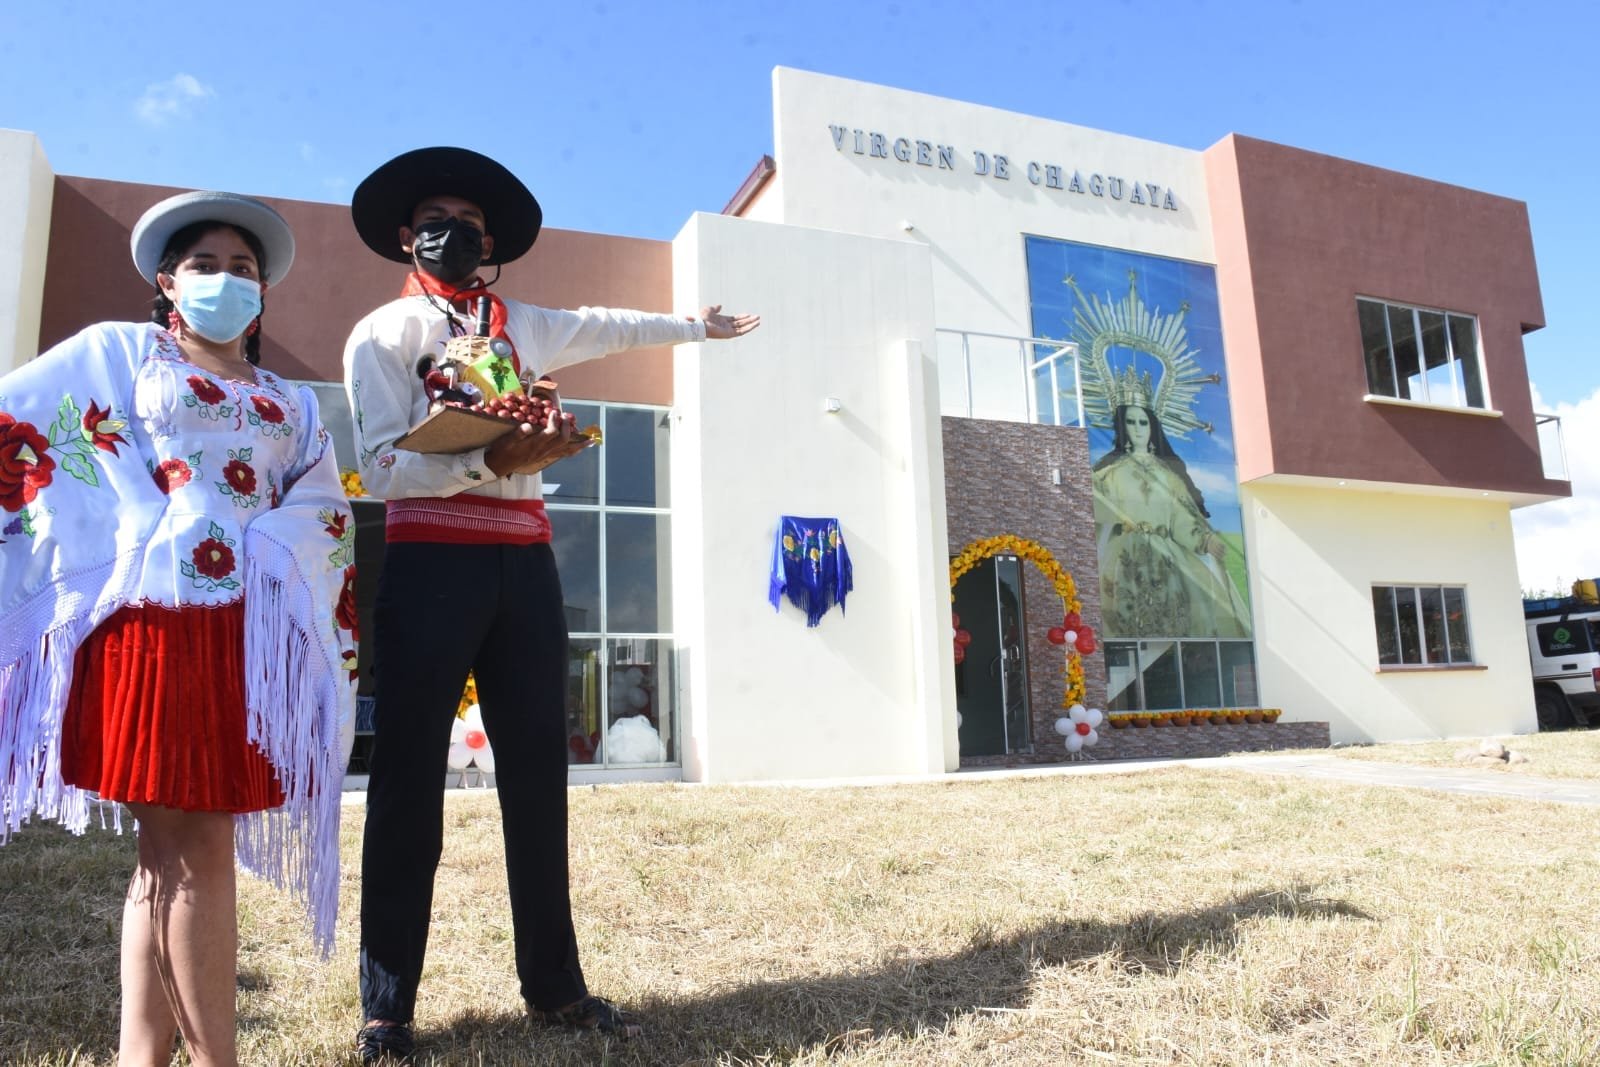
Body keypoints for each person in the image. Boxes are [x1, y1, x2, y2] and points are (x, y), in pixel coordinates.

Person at [343, 146, 758, 1062]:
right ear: (407, 236)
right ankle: (387, 1007)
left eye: (469, 223)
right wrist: (485, 460)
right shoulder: (382, 332)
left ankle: (556, 985)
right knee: (406, 780)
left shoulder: (523, 323)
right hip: (429, 561)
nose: (452, 233)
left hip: (525, 567)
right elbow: (379, 464)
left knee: (538, 777)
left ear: (491, 244)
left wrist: (695, 327)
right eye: (434, 221)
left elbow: (608, 325)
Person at [0, 191, 356, 1066]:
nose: (226, 280)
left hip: (243, 636)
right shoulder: (121, 353)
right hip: (151, 628)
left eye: (244, 269)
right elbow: (21, 423)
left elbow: (322, 507)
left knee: (173, 854)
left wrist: (272, 547)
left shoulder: (292, 401)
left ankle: (141, 1056)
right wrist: (135, 520)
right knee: (194, 848)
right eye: (205, 265)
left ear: (262, 293)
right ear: (167, 280)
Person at [1091, 401, 1251, 638]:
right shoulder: (1110, 475)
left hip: (1165, 558)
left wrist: (1205, 540)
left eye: (1143, 422)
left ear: (1152, 427)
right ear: (1123, 428)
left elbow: (1181, 518)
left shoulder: (1168, 477)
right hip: (1125, 557)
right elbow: (1098, 508)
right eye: (1131, 422)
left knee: (1176, 617)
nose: (1138, 429)